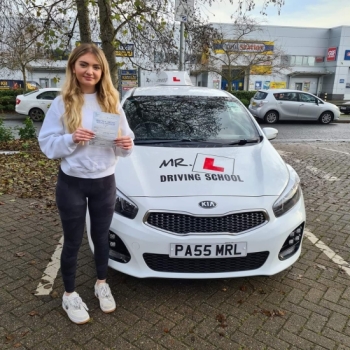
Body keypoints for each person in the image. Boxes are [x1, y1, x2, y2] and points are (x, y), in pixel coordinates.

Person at [38, 43, 134, 324]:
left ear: (102, 70)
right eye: (84, 65)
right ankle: (69, 295)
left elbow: (126, 146)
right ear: (73, 67)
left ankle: (101, 284)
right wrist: (71, 138)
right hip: (72, 183)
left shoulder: (112, 102)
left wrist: (127, 144)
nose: (90, 71)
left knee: (102, 237)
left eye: (96, 66)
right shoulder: (62, 103)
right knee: (73, 240)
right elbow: (48, 145)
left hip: (104, 182)